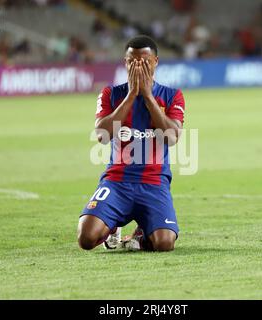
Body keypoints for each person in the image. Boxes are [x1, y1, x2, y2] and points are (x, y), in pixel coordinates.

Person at [77, 35, 185, 252]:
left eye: (144, 61)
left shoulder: (172, 96)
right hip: (117, 182)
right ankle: (112, 227)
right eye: (132, 61)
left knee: (164, 243)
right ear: (125, 63)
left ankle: (141, 233)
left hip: (154, 183)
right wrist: (131, 95)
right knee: (86, 239)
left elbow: (171, 138)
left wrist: (147, 97)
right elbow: (102, 135)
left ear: (155, 61)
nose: (138, 66)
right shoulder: (111, 94)